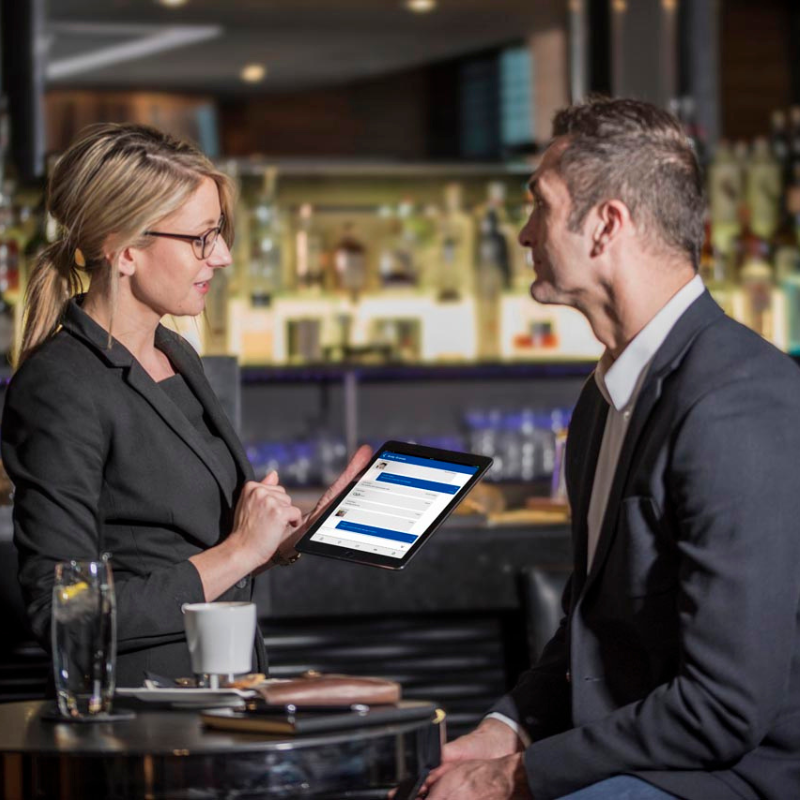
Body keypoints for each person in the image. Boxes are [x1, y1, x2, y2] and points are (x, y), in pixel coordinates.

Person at [418, 98, 800, 799]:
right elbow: (592, 627)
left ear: (606, 225)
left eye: (539, 204)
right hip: (640, 757)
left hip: (733, 779)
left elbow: (723, 710)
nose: (526, 231)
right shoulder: (603, 397)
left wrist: (514, 777)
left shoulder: (739, 403)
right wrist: (504, 729)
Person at [0, 123, 371, 687]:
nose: (221, 257)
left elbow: (188, 546)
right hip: (142, 717)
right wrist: (243, 551)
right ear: (125, 252)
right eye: (201, 238)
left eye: (219, 234)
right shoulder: (62, 385)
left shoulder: (176, 353)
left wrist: (292, 534)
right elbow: (64, 613)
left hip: (222, 697)